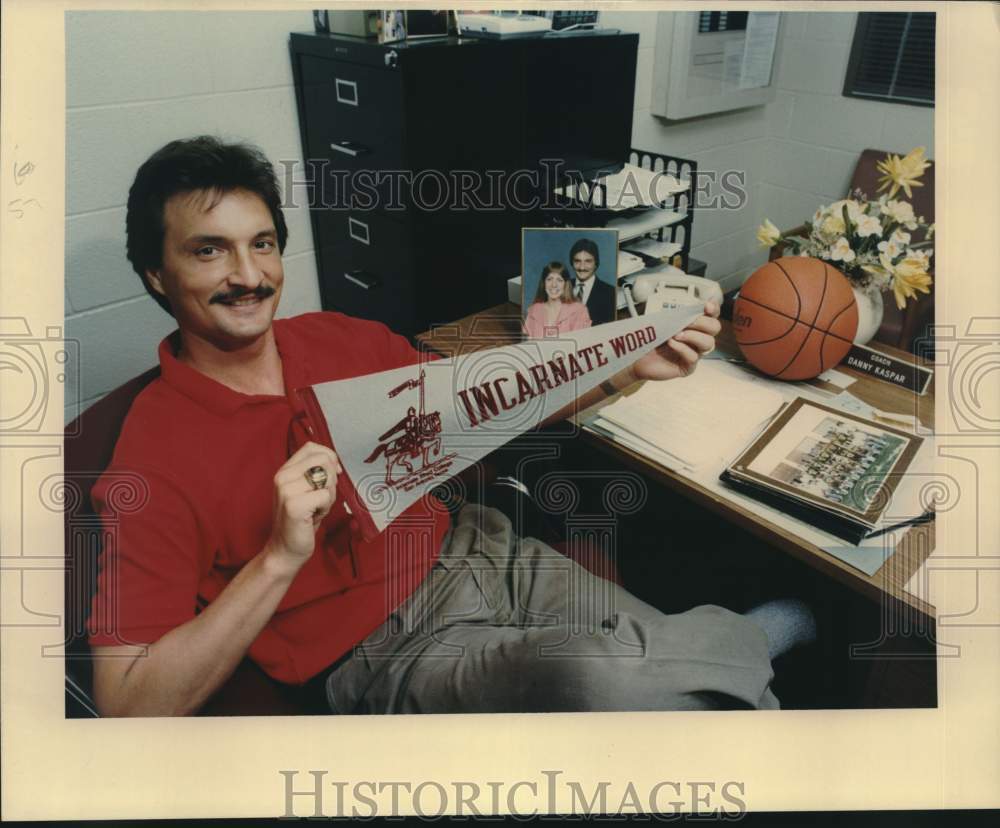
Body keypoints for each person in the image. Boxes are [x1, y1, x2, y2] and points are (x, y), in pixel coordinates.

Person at [87, 136, 813, 717]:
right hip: (383, 652)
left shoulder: (335, 337)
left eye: (263, 243)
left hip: (480, 549)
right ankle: (755, 639)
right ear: (156, 273)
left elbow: (483, 407)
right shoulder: (149, 460)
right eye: (208, 250)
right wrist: (277, 556)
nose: (248, 275)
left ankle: (741, 667)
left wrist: (623, 368)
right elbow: (126, 702)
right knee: (609, 682)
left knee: (665, 684)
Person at [523, 261, 591, 338]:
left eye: (559, 280)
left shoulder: (579, 310)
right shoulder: (534, 310)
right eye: (549, 279)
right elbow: (529, 346)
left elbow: (581, 345)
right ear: (544, 282)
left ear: (565, 284)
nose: (554, 284)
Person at [569, 238, 616, 325]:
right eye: (577, 261)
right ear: (572, 263)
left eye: (588, 261)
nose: (582, 267)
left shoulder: (610, 293)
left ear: (596, 263)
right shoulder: (561, 288)